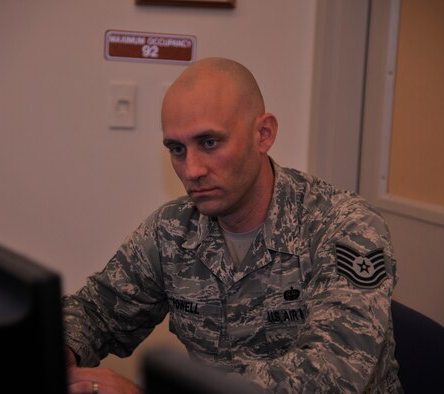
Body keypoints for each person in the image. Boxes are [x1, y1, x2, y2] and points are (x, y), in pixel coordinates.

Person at [62, 57, 402, 393]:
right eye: (177, 149)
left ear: (263, 134)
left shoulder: (344, 226)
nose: (192, 169)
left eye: (210, 143)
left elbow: (332, 374)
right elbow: (96, 310)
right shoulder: (172, 230)